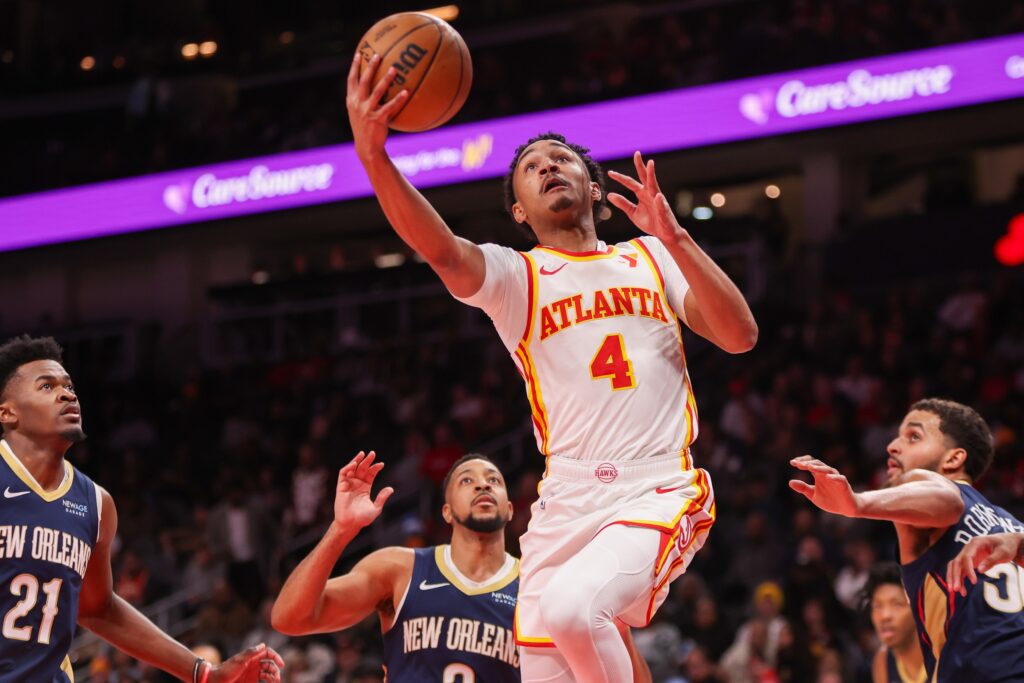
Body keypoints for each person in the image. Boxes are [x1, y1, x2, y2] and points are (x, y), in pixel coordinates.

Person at [346, 50, 756, 683]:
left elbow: (740, 335)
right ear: (519, 211)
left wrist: (677, 238)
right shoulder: (517, 276)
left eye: (560, 160)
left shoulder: (650, 256)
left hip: (655, 487)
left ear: (593, 187)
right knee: (544, 668)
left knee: (572, 612)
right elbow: (439, 249)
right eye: (531, 168)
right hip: (563, 500)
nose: (547, 168)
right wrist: (375, 156)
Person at [0, 335, 284, 683]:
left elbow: (99, 609)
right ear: (8, 412)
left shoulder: (95, 503)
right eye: (46, 386)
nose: (67, 394)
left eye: (69, 386)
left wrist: (204, 672)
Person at [271, 451, 652, 682]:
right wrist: (342, 529)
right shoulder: (400, 570)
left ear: (509, 507)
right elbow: (291, 618)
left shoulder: (542, 588)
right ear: (447, 511)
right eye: (467, 480)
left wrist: (615, 621)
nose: (482, 486)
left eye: (493, 481)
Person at [789, 398, 1024, 682]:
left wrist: (857, 504)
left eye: (913, 436)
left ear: (953, 459)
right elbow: (947, 501)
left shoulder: (1001, 521)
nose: (892, 446)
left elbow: (948, 500)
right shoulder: (1008, 521)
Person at [861, 563, 925, 683]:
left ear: (918, 608)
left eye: (897, 605)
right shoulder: (882, 661)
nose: (885, 616)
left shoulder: (944, 652)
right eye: (877, 606)